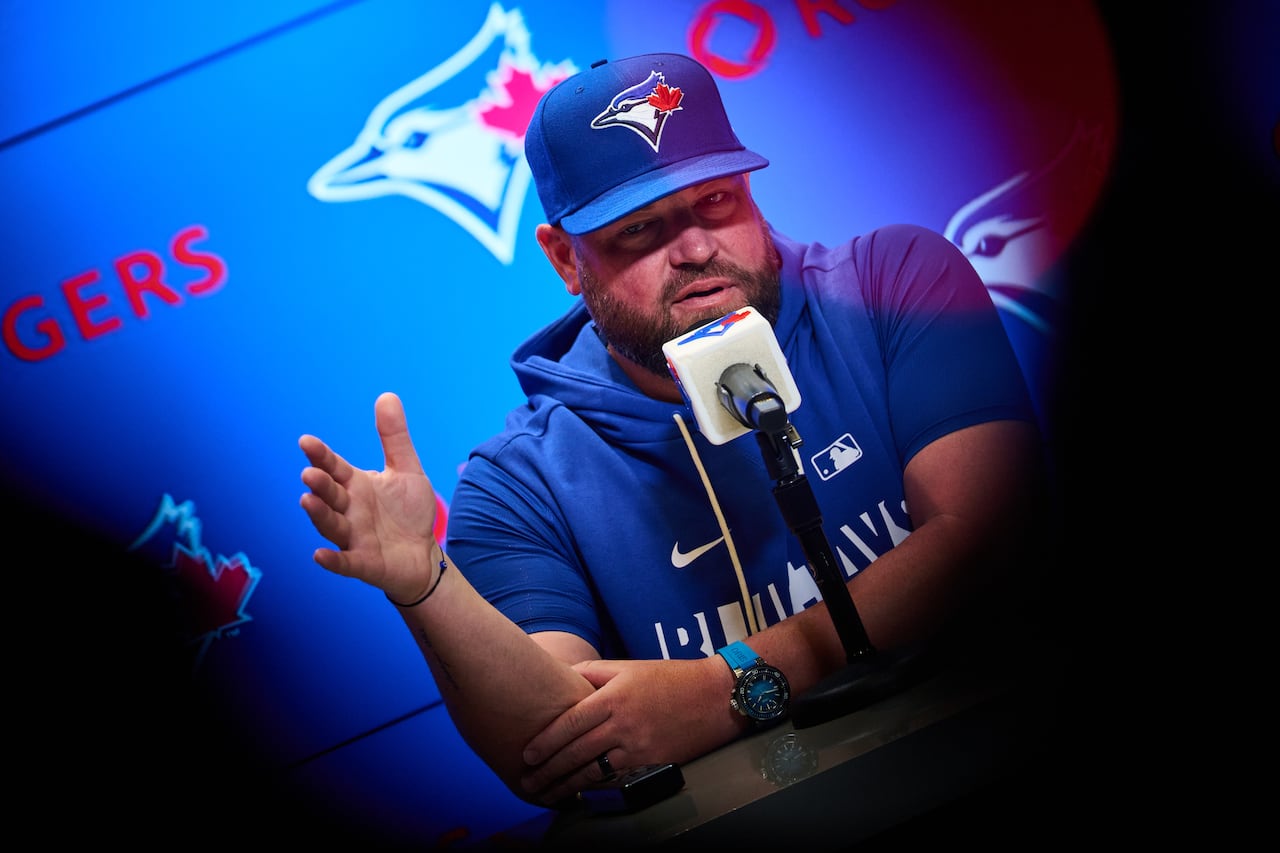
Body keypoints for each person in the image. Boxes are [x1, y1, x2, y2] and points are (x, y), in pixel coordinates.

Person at [298, 53, 1051, 811]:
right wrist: (428, 590)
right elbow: (557, 747)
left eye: (716, 200)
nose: (694, 249)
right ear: (564, 257)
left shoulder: (895, 284)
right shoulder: (518, 481)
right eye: (640, 228)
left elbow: (988, 539)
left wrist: (728, 688)